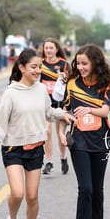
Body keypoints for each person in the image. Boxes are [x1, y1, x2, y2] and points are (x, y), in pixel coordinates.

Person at [0, 48, 76, 219]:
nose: (38, 71)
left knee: (32, 196)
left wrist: (63, 114)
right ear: (22, 68)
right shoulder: (10, 93)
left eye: (40, 67)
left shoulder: (41, 89)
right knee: (17, 193)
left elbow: (48, 111)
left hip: (35, 148)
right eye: (33, 67)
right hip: (13, 149)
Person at [58, 44, 110, 219]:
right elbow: (65, 111)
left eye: (85, 63)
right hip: (79, 141)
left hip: (101, 140)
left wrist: (89, 109)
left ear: (96, 62)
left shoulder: (108, 84)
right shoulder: (71, 84)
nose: (81, 67)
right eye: (78, 63)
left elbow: (105, 111)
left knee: (97, 188)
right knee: (85, 188)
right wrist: (61, 132)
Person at [40, 38, 70, 175]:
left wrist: (64, 77)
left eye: (51, 48)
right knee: (47, 131)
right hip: (45, 102)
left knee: (60, 133)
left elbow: (71, 83)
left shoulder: (63, 64)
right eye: (46, 48)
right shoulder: (40, 64)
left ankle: (63, 158)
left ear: (56, 49)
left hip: (60, 103)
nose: (48, 50)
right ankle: (49, 162)